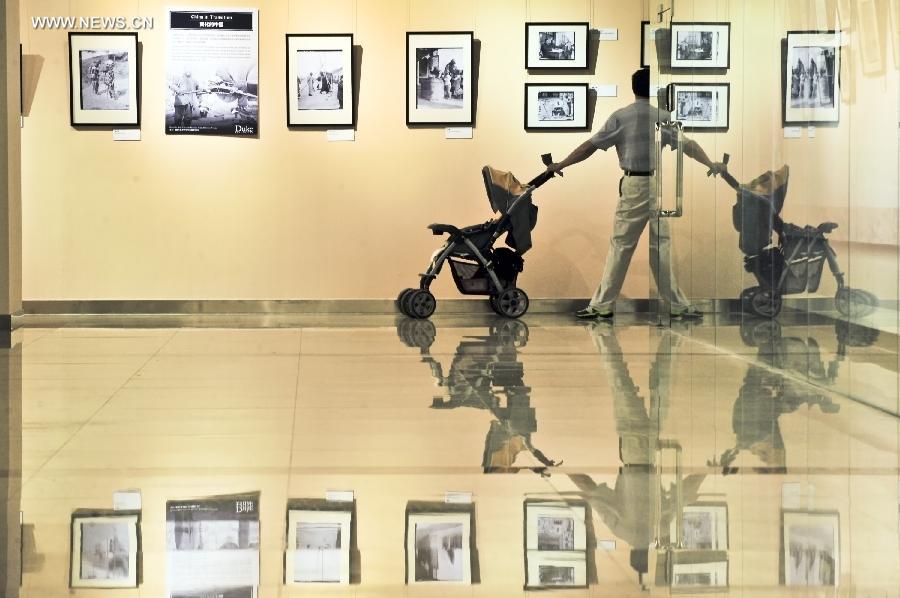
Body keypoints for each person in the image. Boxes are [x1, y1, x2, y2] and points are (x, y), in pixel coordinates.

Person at [545, 67, 726, 319]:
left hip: (633, 185)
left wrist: (561, 164)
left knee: (621, 246)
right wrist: (711, 164)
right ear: (651, 89)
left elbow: (590, 147)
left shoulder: (621, 116)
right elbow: (689, 146)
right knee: (661, 246)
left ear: (633, 88)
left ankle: (602, 305)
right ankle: (677, 306)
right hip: (656, 184)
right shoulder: (661, 116)